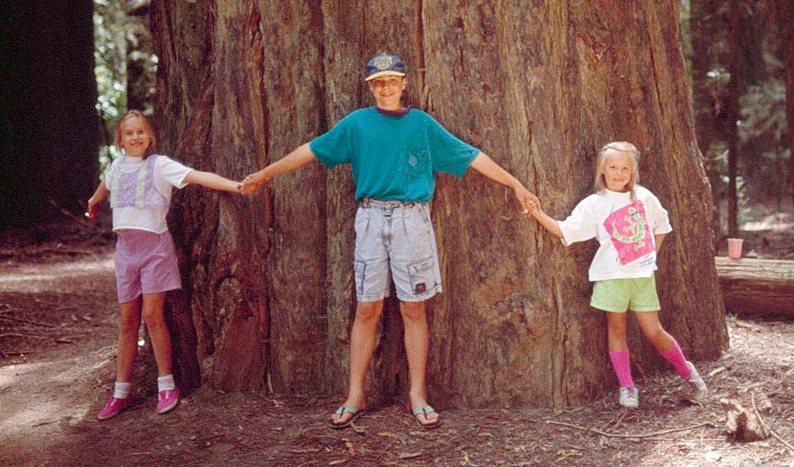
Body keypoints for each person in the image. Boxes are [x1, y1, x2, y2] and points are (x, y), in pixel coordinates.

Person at [240, 52, 537, 429]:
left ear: (404, 84)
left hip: (412, 220)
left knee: (414, 308)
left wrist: (515, 184)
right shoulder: (357, 124)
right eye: (378, 83)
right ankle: (355, 395)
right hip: (370, 218)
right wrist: (265, 174)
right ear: (371, 87)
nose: (385, 88)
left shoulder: (422, 126)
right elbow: (310, 150)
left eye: (392, 81)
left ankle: (417, 394)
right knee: (367, 308)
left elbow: (471, 155)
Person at [525, 141, 707, 409]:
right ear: (602, 170)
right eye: (613, 167)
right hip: (610, 277)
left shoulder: (644, 197)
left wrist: (651, 255)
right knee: (617, 328)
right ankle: (627, 387)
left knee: (654, 331)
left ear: (633, 171)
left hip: (643, 277)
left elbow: (663, 225)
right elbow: (565, 230)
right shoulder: (594, 204)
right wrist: (538, 214)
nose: (619, 173)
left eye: (625, 168)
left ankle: (690, 376)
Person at [86, 110, 242, 420]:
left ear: (150, 137)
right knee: (128, 321)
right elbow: (105, 187)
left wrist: (235, 186)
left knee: (153, 316)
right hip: (126, 253)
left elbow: (197, 176)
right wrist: (93, 202)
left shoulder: (160, 166)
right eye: (129, 133)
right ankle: (121, 392)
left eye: (141, 131)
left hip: (155, 250)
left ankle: (166, 384)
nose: (135, 137)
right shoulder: (116, 167)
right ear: (120, 139)